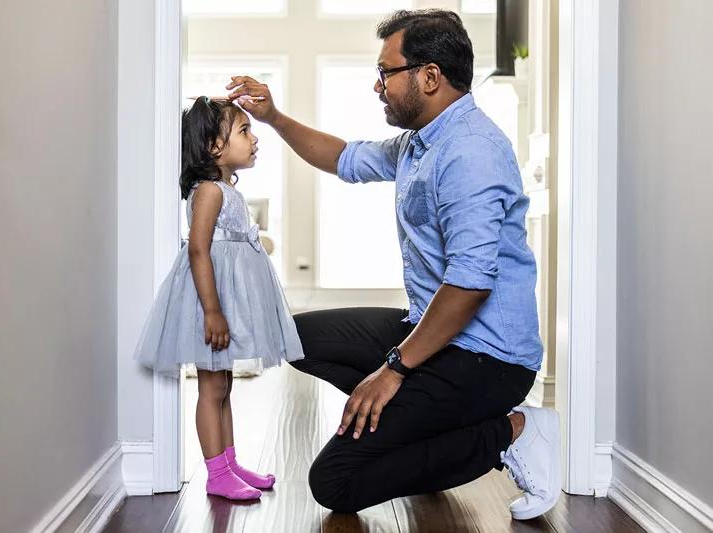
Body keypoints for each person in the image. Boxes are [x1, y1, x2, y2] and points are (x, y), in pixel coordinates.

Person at [226, 9, 561, 519]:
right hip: (435, 334)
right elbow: (343, 157)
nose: (377, 86)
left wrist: (394, 369)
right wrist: (272, 117)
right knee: (290, 337)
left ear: (429, 77)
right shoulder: (419, 142)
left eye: (386, 72)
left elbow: (470, 285)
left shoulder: (471, 152)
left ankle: (510, 431)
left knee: (334, 483)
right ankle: (429, 425)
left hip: (488, 360)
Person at [133, 96, 304, 501]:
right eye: (244, 131)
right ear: (214, 146)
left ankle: (229, 463)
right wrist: (212, 310)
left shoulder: (226, 189)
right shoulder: (208, 191)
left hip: (223, 300)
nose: (254, 138)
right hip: (210, 303)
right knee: (211, 389)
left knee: (223, 384)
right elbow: (198, 250)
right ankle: (216, 473)